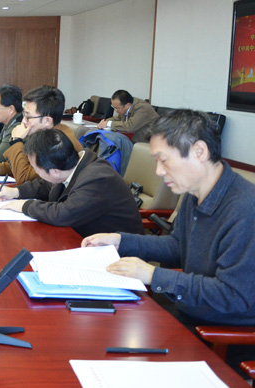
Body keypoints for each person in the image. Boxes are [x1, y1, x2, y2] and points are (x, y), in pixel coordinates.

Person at [82, 109, 255, 326]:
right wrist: (120, 241)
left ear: (199, 151)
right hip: (188, 311)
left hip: (219, 332)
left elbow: (233, 296)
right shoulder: (194, 192)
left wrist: (153, 275)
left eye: (164, 160)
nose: (159, 171)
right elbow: (177, 246)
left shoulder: (245, 209)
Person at [0, 128, 143, 237]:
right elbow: (47, 185)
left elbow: (63, 214)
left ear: (54, 171)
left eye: (36, 169)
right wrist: (15, 192)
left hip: (116, 253)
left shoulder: (97, 179)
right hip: (84, 237)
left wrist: (25, 206)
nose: (35, 172)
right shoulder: (70, 165)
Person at [0, 86, 83, 185]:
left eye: (28, 117)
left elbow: (24, 177)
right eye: (24, 115)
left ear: (47, 121)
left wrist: (16, 140)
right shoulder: (43, 134)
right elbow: (26, 162)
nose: (23, 121)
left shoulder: (59, 144)